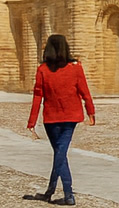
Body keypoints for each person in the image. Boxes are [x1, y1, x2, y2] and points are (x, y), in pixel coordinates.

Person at [24, 34, 95, 206]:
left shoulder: (43, 69)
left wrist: (32, 121)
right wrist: (91, 112)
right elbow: (84, 92)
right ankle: (59, 193)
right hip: (69, 117)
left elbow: (37, 97)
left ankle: (61, 193)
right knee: (60, 154)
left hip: (53, 118)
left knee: (59, 153)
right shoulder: (75, 68)